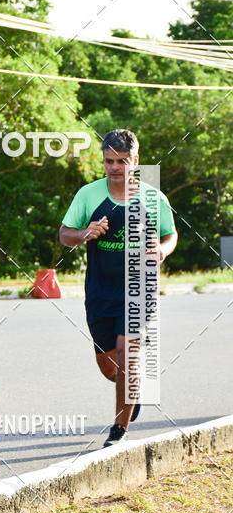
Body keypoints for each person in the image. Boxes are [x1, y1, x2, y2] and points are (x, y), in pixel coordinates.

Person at [59, 129, 178, 447]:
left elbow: (170, 234)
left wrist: (163, 251)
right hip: (100, 290)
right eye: (109, 161)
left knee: (127, 356)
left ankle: (118, 430)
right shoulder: (88, 195)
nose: (115, 167)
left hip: (139, 287)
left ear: (135, 161)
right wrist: (86, 233)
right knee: (109, 365)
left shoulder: (153, 198)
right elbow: (64, 234)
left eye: (122, 161)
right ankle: (133, 390)